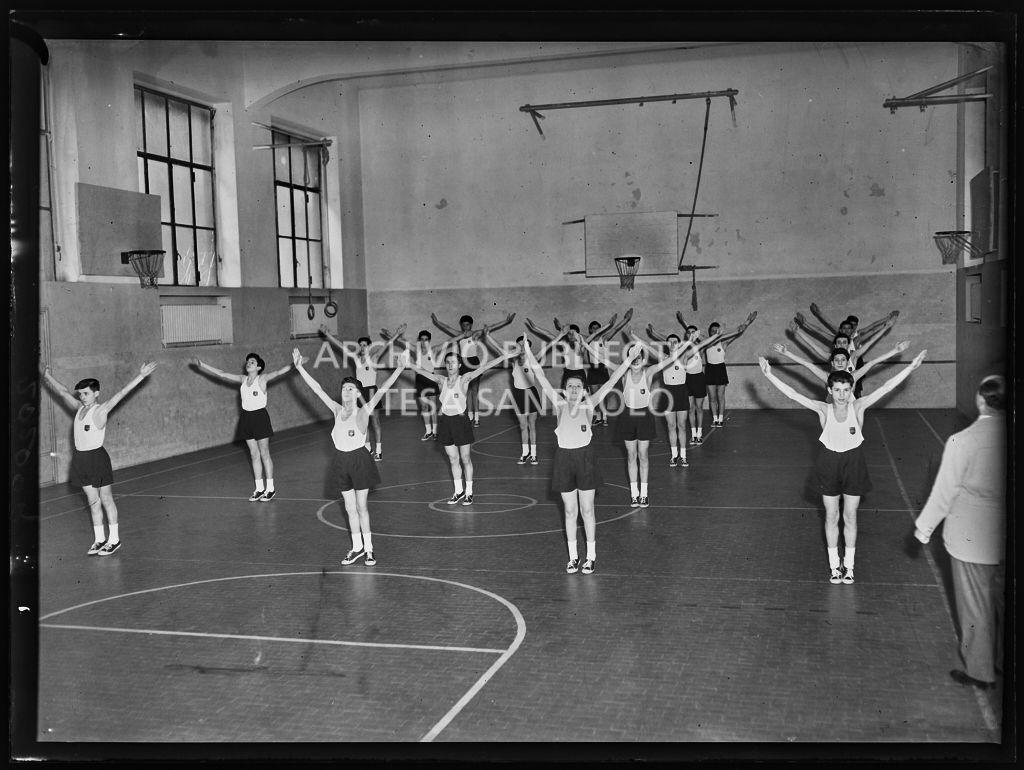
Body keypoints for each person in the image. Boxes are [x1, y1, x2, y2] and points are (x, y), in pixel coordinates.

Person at [758, 349, 927, 584]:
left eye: (846, 390)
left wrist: (910, 367)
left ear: (851, 391)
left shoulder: (858, 408)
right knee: (831, 516)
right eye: (837, 390)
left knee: (850, 517)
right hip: (828, 462)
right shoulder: (822, 409)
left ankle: (849, 566)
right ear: (829, 390)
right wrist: (769, 375)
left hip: (853, 463)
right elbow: (793, 394)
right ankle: (834, 566)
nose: (841, 395)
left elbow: (886, 386)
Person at [912, 375, 1007, 690]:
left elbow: (944, 492)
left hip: (971, 540)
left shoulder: (963, 441)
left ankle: (980, 672)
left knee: (975, 606)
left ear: (981, 399)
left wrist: (923, 529)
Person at [523, 333, 639, 574]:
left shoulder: (590, 403)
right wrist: (527, 350)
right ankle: (573, 557)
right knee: (569, 510)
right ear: (564, 390)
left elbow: (612, 380)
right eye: (570, 386)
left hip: (585, 458)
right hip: (564, 459)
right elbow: (541, 377)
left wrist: (629, 360)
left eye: (578, 386)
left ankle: (591, 556)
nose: (574, 389)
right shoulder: (559, 404)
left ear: (584, 390)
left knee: (587, 510)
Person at [292, 347, 409, 567]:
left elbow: (382, 389)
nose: (346, 391)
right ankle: (356, 548)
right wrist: (300, 368)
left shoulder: (364, 411)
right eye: (344, 388)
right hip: (340, 461)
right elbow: (317, 390)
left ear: (357, 392)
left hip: (359, 460)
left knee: (362, 507)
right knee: (349, 508)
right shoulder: (336, 410)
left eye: (350, 388)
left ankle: (369, 549)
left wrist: (399, 369)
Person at [42, 361, 159, 555]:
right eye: (80, 393)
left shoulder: (101, 410)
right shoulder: (80, 408)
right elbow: (63, 392)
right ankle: (99, 540)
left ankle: (114, 540)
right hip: (80, 460)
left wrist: (141, 376)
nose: (82, 397)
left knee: (106, 499)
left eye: (86, 393)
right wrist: (47, 377)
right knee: (93, 502)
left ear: (96, 393)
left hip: (97, 458)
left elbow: (121, 394)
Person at [589, 331, 704, 507]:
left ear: (643, 360)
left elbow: (671, 359)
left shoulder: (649, 372)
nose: (635, 361)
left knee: (643, 456)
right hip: (627, 417)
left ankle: (644, 493)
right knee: (631, 455)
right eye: (632, 358)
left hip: (644, 417)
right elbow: (602, 358)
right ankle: (634, 494)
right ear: (629, 360)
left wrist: (689, 341)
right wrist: (584, 345)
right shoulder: (624, 373)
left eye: (638, 358)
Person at [408, 331, 520, 504]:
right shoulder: (440, 380)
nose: (450, 365)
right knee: (453, 459)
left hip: (461, 422)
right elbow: (421, 370)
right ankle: (458, 491)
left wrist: (506, 355)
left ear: (460, 365)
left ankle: (469, 492)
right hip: (445, 422)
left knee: (465, 458)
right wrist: (405, 363)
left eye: (453, 362)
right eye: (448, 362)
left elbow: (484, 367)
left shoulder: (465, 379)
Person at [192, 353, 295, 501]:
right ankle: (259, 489)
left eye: (252, 362)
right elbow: (222, 374)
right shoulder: (243, 379)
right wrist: (202, 364)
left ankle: (270, 489)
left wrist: (295, 364)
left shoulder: (262, 379)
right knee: (254, 454)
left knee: (264, 452)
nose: (248, 363)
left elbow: (279, 372)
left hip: (260, 417)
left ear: (258, 367)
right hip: (246, 418)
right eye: (248, 362)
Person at [320, 325, 406, 461]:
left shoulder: (374, 358)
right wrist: (328, 335)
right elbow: (342, 347)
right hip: (359, 393)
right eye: (360, 345)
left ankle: (378, 450)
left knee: (375, 421)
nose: (362, 347)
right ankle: (367, 449)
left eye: (365, 345)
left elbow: (387, 345)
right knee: (361, 422)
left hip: (371, 391)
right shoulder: (355, 358)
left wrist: (396, 334)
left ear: (369, 346)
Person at [481, 328, 566, 465]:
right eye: (519, 345)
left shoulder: (533, 359)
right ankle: (524, 453)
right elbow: (498, 348)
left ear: (527, 348)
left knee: (532, 425)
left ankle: (534, 454)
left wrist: (560, 336)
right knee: (522, 425)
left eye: (524, 344)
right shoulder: (513, 361)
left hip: (531, 394)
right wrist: (488, 336)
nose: (521, 347)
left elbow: (549, 346)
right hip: (518, 394)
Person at [649, 322, 728, 446]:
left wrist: (717, 335)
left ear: (696, 334)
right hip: (686, 380)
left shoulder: (699, 347)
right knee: (690, 409)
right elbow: (666, 340)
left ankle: (699, 434)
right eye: (688, 332)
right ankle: (693, 434)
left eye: (693, 332)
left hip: (699, 379)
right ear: (686, 334)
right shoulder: (681, 347)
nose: (690, 334)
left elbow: (706, 342)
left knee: (699, 408)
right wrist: (654, 333)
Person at [431, 312, 516, 426]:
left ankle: (476, 417)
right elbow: (446, 327)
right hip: (463, 363)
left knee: (474, 391)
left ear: (471, 325)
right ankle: (469, 415)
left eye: (468, 325)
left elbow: (491, 327)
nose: (466, 327)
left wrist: (506, 321)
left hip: (473, 363)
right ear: (461, 326)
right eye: (464, 325)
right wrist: (436, 321)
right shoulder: (459, 334)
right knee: (463, 391)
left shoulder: (475, 335)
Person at [383, 327, 460, 441]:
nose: (424, 342)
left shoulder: (434, 350)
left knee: (432, 406)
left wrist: (462, 335)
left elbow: (449, 341)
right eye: (422, 339)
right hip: (420, 380)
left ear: (429, 341)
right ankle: (428, 431)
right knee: (424, 406)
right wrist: (393, 334)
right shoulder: (416, 350)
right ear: (419, 341)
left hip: (432, 379)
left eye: (426, 339)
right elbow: (401, 341)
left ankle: (435, 431)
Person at [771, 340, 911, 398]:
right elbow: (808, 364)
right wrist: (786, 353)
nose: (839, 362)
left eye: (843, 360)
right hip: (832, 409)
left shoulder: (854, 375)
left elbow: (872, 362)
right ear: (832, 362)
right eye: (836, 360)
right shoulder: (827, 377)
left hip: (850, 409)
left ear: (847, 361)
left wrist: (895, 350)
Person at [701, 313, 758, 427]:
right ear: (709, 332)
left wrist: (748, 321)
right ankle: (715, 419)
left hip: (720, 369)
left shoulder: (724, 342)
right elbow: (692, 333)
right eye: (712, 331)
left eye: (716, 330)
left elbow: (738, 331)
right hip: (710, 369)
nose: (714, 332)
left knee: (720, 396)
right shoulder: (706, 342)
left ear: (719, 332)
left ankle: (721, 419)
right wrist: (683, 322)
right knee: (712, 397)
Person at [584, 310, 633, 426]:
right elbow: (574, 333)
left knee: (603, 394)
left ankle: (604, 417)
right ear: (590, 330)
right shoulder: (587, 339)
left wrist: (626, 319)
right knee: (595, 395)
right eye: (593, 328)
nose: (596, 330)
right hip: (592, 370)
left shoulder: (604, 339)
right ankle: (598, 417)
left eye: (598, 328)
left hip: (602, 369)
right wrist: (562, 329)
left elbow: (615, 329)